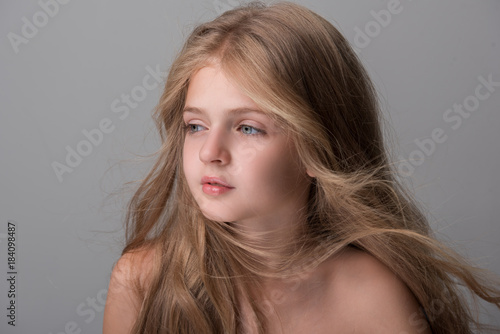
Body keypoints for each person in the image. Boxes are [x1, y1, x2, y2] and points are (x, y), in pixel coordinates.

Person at [102, 2, 500, 333]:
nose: (210, 152)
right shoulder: (143, 280)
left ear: (317, 147)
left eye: (247, 128)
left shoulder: (374, 297)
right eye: (195, 125)